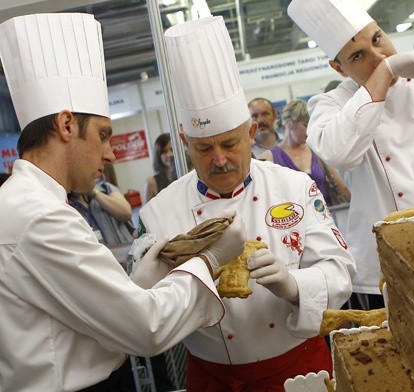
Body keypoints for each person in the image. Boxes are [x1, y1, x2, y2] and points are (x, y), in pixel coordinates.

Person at [0, 13, 245, 391]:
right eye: (103, 135)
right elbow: (146, 328)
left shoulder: (23, 203)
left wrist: (134, 286)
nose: (111, 154)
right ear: (66, 126)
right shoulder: (38, 216)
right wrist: (209, 261)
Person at [139, 15, 356, 391]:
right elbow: (149, 315)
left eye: (230, 144)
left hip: (299, 368)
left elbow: (341, 272)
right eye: (204, 148)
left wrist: (294, 285)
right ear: (184, 142)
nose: (219, 159)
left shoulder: (295, 187)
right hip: (212, 378)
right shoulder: (158, 211)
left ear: (251, 132)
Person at [288, 0, 414, 310]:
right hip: (384, 269)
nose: (378, 56)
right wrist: (389, 69)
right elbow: (341, 152)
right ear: (338, 68)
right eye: (358, 55)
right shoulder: (331, 105)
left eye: (377, 38)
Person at [260, 100, 350, 206]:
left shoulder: (317, 150)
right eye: (305, 125)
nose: (310, 130)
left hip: (327, 216)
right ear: (289, 124)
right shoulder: (269, 158)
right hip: (293, 218)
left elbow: (343, 188)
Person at [144, 132, 177, 203]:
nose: (169, 154)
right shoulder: (151, 183)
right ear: (158, 155)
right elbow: (147, 213)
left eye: (172, 149)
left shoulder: (185, 174)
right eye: (164, 151)